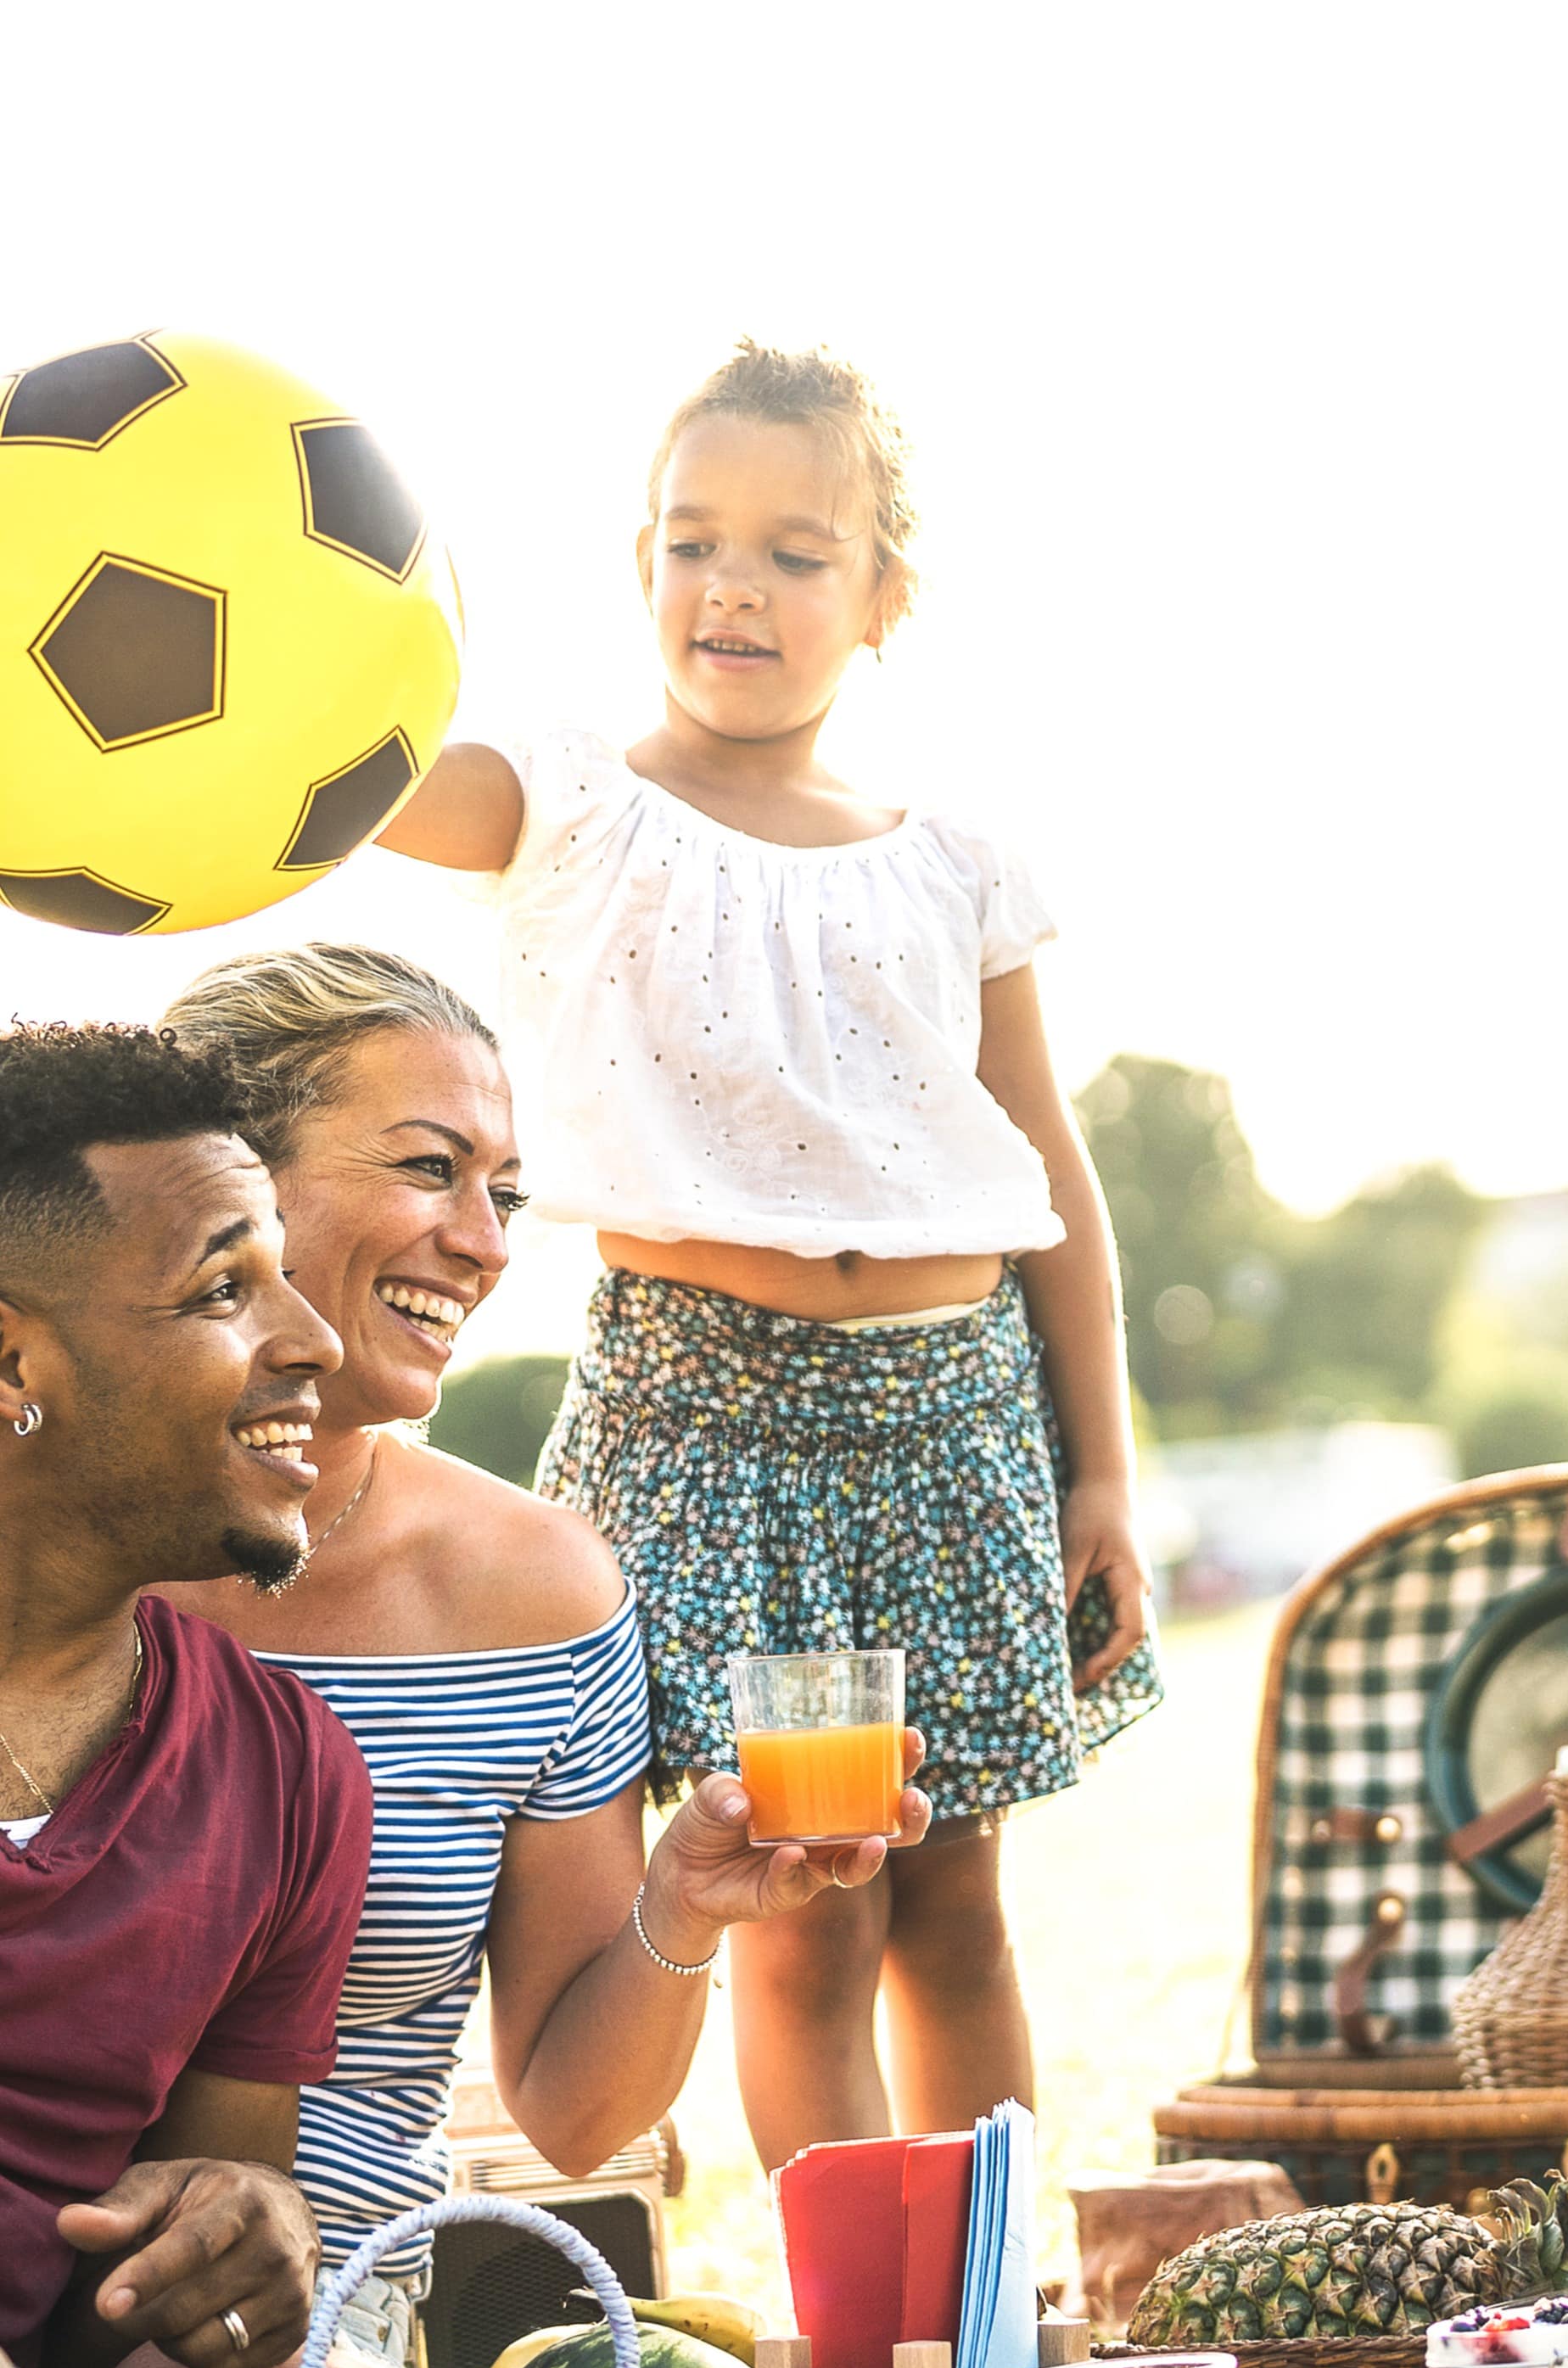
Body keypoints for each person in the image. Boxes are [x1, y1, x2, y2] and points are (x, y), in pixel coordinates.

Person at [368, 342, 1162, 2166]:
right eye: (690, 540)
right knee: (805, 1919)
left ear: (884, 597)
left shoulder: (953, 861)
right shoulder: (563, 802)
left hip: (954, 1420)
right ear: (636, 562)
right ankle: (877, 2361)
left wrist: (1101, 1462)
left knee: (957, 1909)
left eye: (797, 552)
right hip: (712, 1420)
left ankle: (995, 2329)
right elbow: (367, 782)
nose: (733, 584)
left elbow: (1048, 1175)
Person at [138, 946, 931, 2368]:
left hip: (310, 2336)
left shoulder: (540, 1594)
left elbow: (576, 2118)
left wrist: (682, 1903)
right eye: (431, 1169)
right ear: (224, 1181)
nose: (487, 1243)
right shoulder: (62, 1545)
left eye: (501, 1195)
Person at [0, 1025, 369, 2368]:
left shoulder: (281, 1775)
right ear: (12, 1355)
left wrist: (245, 2228)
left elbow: (174, 2280)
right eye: (227, 1287)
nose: (314, 1341)